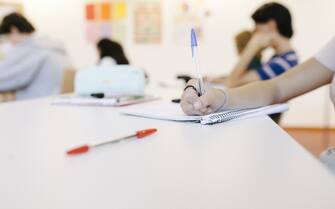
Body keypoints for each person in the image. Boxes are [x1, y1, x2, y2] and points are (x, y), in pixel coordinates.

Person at [180, 37, 335, 173]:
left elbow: (234, 80)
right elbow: (276, 88)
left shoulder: (283, 60)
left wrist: (252, 46)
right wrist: (219, 97)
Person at [214, 2, 298, 88]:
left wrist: (253, 45)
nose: (255, 34)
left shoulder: (282, 64)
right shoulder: (284, 58)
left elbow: (231, 83)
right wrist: (215, 79)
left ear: (271, 25)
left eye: (257, 29)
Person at [0, 13, 70, 100]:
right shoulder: (52, 46)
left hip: (37, 105)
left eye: (7, 37)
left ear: (14, 30)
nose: (10, 43)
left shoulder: (28, 49)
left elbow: (4, 77)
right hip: (56, 102)